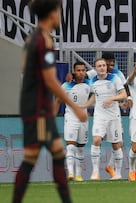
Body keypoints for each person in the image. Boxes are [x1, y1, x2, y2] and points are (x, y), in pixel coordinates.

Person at [13, 0, 87, 202]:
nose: (60, 16)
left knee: (57, 153)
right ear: (53, 14)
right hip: (38, 108)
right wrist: (75, 108)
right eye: (59, 12)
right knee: (31, 157)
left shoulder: (32, 39)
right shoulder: (44, 41)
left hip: (34, 105)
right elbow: (51, 81)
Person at [86, 58, 127, 180]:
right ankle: (95, 172)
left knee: (116, 144)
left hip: (113, 116)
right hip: (99, 116)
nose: (102, 67)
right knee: (97, 140)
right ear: (95, 68)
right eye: (99, 66)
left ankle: (118, 173)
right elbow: (94, 96)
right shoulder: (92, 82)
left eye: (104, 65)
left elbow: (124, 94)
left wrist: (111, 99)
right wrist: (85, 107)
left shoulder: (115, 78)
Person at [54, 62, 91, 182]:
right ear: (74, 72)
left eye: (83, 70)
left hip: (83, 119)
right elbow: (58, 101)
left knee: (80, 148)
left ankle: (79, 175)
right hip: (71, 118)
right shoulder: (66, 86)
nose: (81, 72)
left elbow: (99, 72)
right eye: (78, 70)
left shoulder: (89, 84)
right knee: (70, 146)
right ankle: (70, 173)